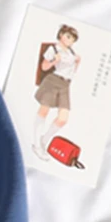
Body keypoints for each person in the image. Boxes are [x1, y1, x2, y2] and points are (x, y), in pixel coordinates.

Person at [33, 24, 80, 160]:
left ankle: (43, 140)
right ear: (61, 35)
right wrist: (55, 60)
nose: (70, 40)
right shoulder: (53, 49)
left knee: (63, 118)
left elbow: (72, 72)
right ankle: (37, 145)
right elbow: (44, 66)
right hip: (53, 81)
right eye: (68, 36)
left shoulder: (71, 52)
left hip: (65, 85)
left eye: (73, 39)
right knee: (44, 111)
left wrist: (77, 62)